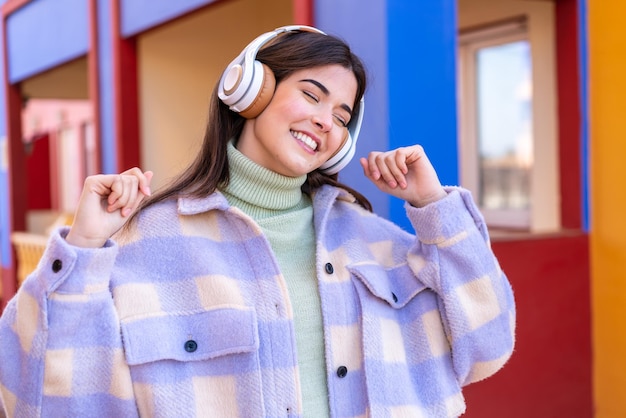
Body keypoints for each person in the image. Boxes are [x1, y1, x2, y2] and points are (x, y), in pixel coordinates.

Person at [0, 25, 515, 417]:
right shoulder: (141, 243)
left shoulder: (382, 243)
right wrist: (85, 247)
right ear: (249, 89)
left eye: (342, 116)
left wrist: (435, 209)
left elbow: (487, 349)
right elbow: (36, 397)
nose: (325, 120)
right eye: (312, 95)